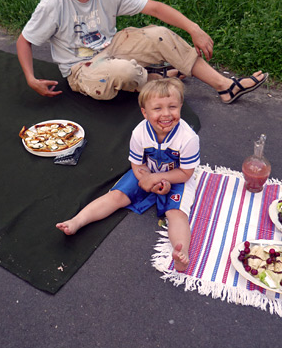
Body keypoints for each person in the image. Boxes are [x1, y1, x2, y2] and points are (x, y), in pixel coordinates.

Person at [17, 0, 268, 102]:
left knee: (159, 33)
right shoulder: (52, 3)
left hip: (112, 47)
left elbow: (156, 8)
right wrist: (30, 79)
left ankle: (225, 86)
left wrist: (195, 28)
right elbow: (24, 40)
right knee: (123, 72)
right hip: (80, 68)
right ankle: (158, 78)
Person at [56, 78, 199, 272]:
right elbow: (137, 163)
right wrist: (146, 179)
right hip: (146, 171)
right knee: (116, 196)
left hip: (178, 177)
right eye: (157, 108)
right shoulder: (139, 132)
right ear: (144, 112)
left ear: (180, 107)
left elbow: (185, 172)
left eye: (172, 106)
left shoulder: (188, 138)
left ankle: (181, 253)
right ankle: (77, 221)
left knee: (175, 214)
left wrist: (158, 180)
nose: (166, 114)